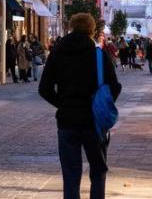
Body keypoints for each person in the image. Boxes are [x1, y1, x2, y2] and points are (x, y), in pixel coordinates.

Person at [39, 14, 122, 199]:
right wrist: (101, 105)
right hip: (93, 122)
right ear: (91, 30)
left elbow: (44, 88)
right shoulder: (99, 55)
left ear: (71, 27)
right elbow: (115, 87)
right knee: (98, 171)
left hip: (67, 121)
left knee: (70, 173)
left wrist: (63, 104)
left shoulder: (57, 53)